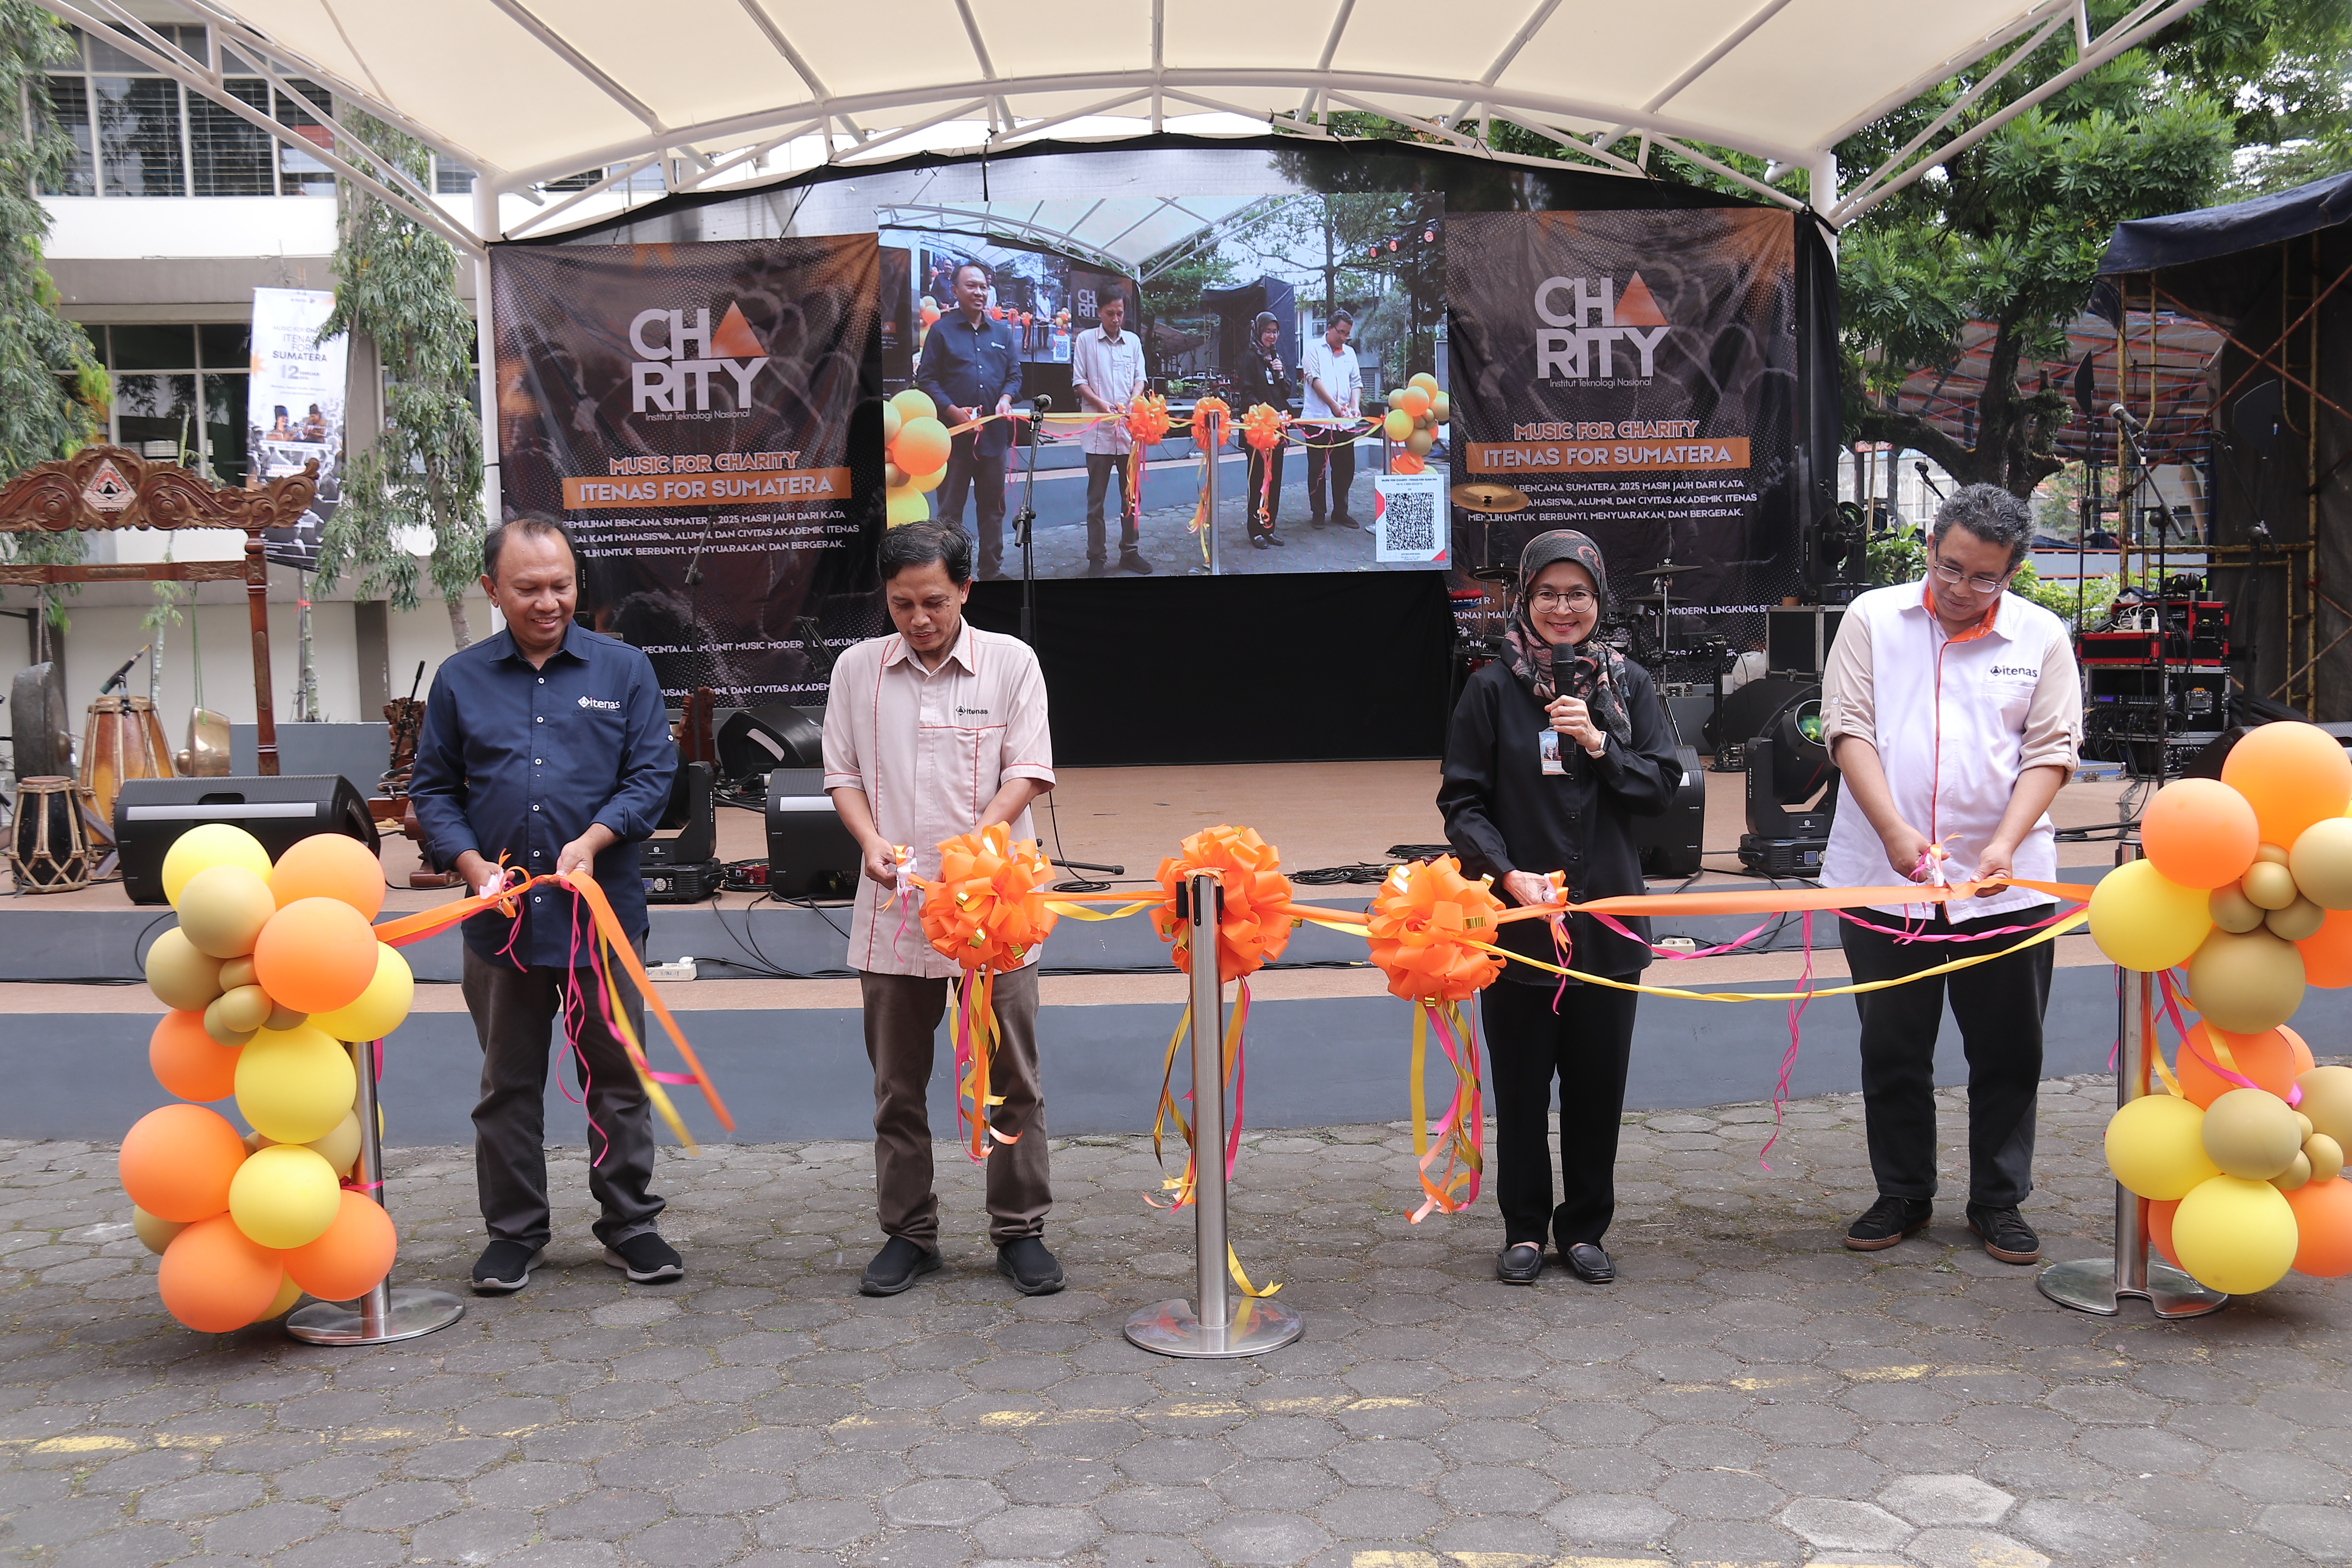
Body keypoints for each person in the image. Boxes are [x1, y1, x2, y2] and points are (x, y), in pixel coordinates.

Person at [410, 515, 682, 1294]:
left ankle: (630, 1224)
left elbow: (650, 778)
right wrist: (470, 867)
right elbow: (433, 789)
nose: (548, 601)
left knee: (617, 1077)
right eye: (528, 588)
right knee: (507, 1084)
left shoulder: (624, 669)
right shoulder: (461, 678)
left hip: (600, 920)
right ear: (492, 589)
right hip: (499, 926)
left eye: (561, 585)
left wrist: (594, 840)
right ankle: (515, 1232)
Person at [1820, 483, 2082, 1265]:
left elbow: (2051, 749)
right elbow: (1848, 729)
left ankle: (1998, 1199)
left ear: (2013, 573)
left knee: (2010, 1047)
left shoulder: (2041, 636)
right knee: (1893, 1046)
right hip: (1884, 873)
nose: (1962, 589)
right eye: (1951, 566)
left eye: (1984, 577)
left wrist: (2004, 842)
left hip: (2009, 881)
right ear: (1930, 544)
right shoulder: (1872, 618)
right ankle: (1903, 1191)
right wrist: (1895, 832)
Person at [822, 521, 1064, 1298]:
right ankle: (909, 1233)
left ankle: (1020, 1229)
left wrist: (979, 850)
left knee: (1012, 1079)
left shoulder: (1010, 663)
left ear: (964, 588)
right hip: (894, 910)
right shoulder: (858, 670)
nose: (919, 618)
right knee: (898, 1084)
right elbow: (843, 776)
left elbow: (1028, 770)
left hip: (996, 910)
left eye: (933, 600)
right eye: (902, 605)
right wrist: (868, 841)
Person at [1439, 531, 1683, 1285]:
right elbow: (1463, 802)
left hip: (1606, 926)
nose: (1563, 608)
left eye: (1578, 593)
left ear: (1598, 600)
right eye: (1548, 593)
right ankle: (1521, 1228)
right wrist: (1509, 875)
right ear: (1526, 599)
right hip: (1518, 926)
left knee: (1596, 1086)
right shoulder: (1490, 687)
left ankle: (1583, 1230)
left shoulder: (1629, 684)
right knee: (1519, 1087)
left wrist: (1604, 744)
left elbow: (1662, 788)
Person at [917, 261, 1024, 579]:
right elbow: (927, 380)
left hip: (993, 440)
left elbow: (1014, 377)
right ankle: (952, 577)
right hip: (954, 441)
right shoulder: (941, 331)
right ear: (956, 291)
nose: (979, 292)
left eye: (983, 286)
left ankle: (992, 571)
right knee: (950, 513)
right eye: (972, 286)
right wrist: (953, 411)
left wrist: (1006, 398)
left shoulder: (1002, 332)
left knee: (993, 509)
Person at [1069, 288, 1152, 576]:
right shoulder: (1086, 341)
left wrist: (1134, 400)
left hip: (1129, 432)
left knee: (1131, 498)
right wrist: (1101, 404)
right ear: (1099, 312)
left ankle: (1130, 552)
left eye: (1120, 314)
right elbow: (1080, 382)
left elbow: (1140, 379)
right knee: (1096, 501)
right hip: (1098, 433)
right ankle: (1097, 558)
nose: (1116, 319)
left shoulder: (1133, 341)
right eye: (1110, 314)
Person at [1232, 310, 1291, 549]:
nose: (1272, 336)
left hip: (1277, 431)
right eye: (1268, 331)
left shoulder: (1276, 359)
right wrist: (1263, 415)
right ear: (1259, 331)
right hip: (1258, 431)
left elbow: (1286, 392)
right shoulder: (1249, 358)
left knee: (1274, 479)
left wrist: (1280, 373)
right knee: (1258, 480)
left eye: (1275, 332)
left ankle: (1269, 527)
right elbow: (1246, 394)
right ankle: (1255, 529)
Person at [1301, 309, 1363, 529]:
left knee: (1346, 468)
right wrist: (1334, 407)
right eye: (1341, 332)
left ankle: (1341, 511)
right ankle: (1318, 512)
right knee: (1317, 468)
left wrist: (1354, 407)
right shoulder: (1312, 349)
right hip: (1318, 420)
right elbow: (1314, 379)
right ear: (1329, 328)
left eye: (1347, 334)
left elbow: (1356, 382)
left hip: (1344, 422)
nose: (1344, 338)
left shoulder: (1350, 353)